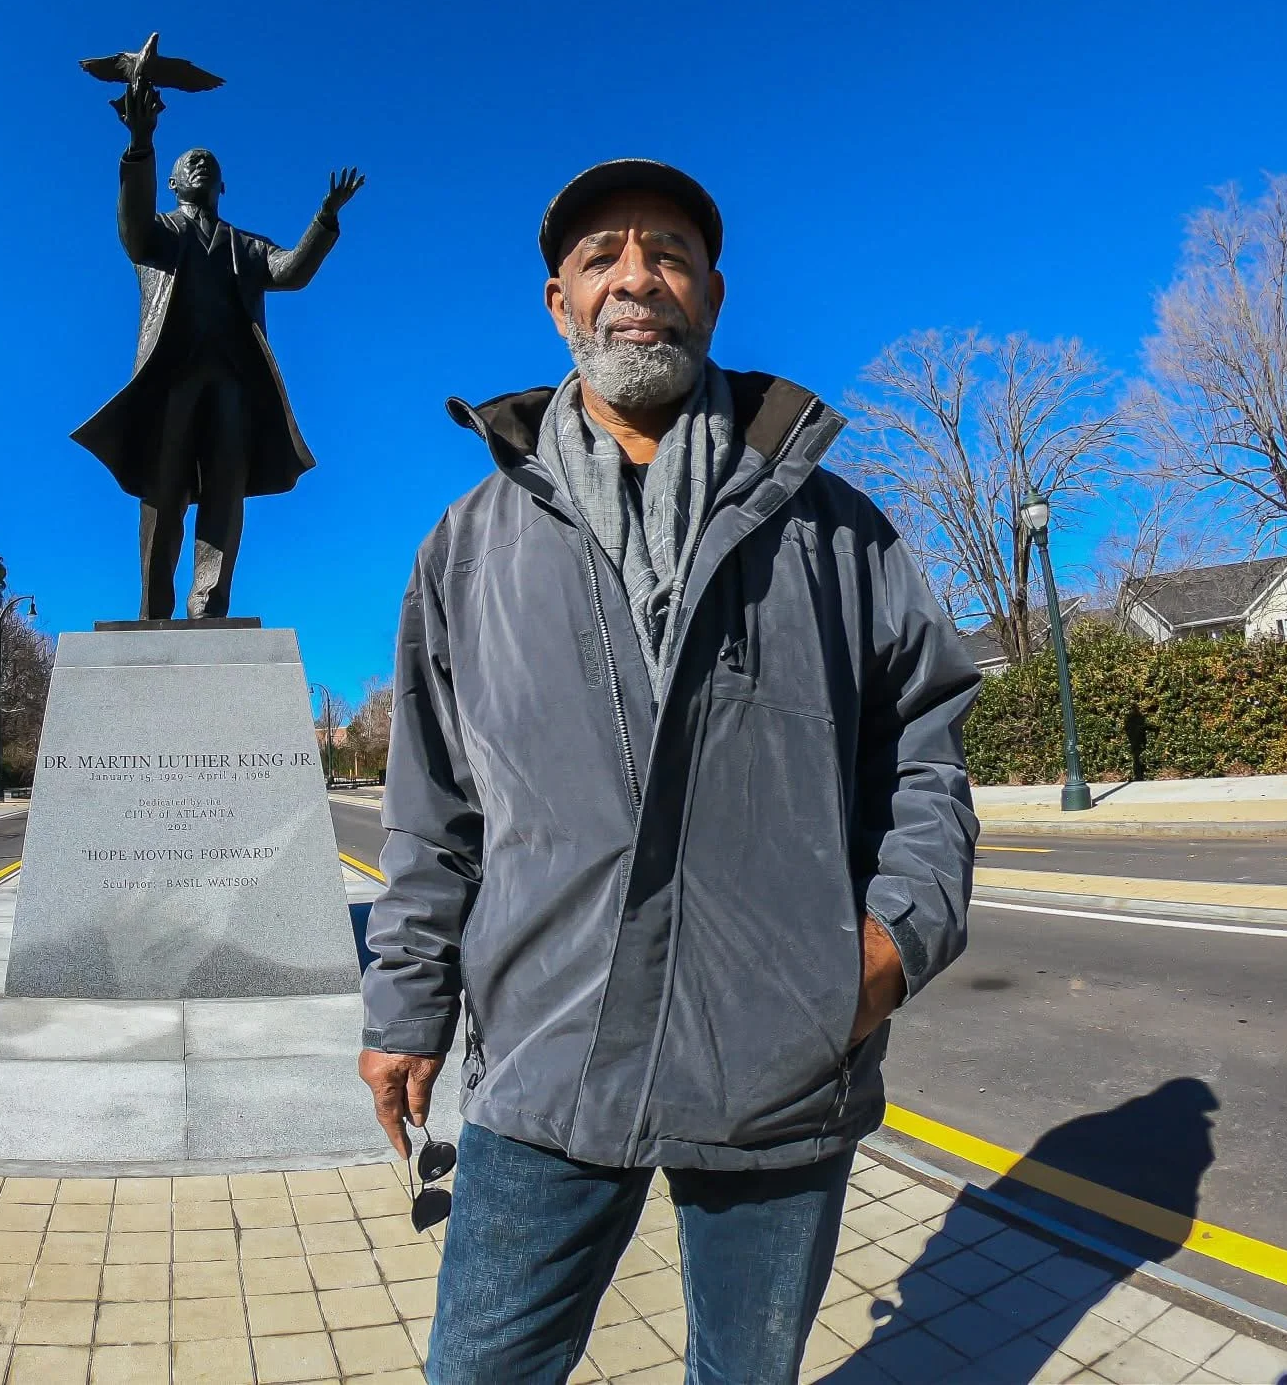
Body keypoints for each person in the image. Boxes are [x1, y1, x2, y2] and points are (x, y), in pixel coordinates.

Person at [358, 158, 982, 1384]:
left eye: (668, 257)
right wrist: (403, 1010)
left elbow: (925, 751)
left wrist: (885, 950)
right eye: (601, 258)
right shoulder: (466, 548)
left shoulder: (834, 528)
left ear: (711, 294)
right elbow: (433, 814)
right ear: (556, 302)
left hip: (780, 1067)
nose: (634, 280)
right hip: (546, 1067)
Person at [71, 79, 364, 619]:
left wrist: (325, 219)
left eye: (210, 161)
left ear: (223, 185)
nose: (201, 163)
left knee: (225, 495)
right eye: (191, 161)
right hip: (171, 383)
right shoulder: (159, 234)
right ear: (175, 181)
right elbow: (131, 228)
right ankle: (155, 608)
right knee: (164, 495)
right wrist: (141, 143)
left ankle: (209, 605)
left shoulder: (246, 246)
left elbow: (293, 272)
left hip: (231, 385)